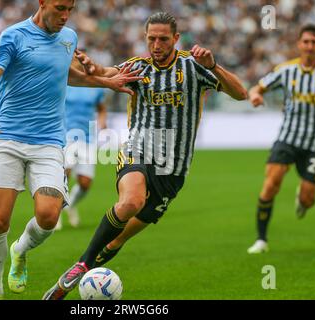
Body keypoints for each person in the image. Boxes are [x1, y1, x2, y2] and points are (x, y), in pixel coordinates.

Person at [43, 11, 247, 300]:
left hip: (173, 170)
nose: (157, 44)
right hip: (137, 150)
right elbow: (106, 73)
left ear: (176, 38)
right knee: (130, 201)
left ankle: (89, 268)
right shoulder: (138, 67)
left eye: (163, 39)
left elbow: (241, 94)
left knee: (116, 241)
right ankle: (80, 267)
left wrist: (213, 66)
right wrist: (92, 67)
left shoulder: (193, 66)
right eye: (151, 38)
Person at [0, 0, 143, 300]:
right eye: (59, 8)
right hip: (7, 138)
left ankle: (20, 250)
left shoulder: (69, 37)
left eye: (70, 10)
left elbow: (68, 74)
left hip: (49, 140)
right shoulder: (14, 36)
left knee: (49, 217)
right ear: (42, 3)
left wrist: (107, 82)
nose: (65, 16)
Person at [247, 24, 315, 254]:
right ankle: (261, 240)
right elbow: (257, 88)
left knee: (309, 199)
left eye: (314, 42)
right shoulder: (285, 70)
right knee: (271, 183)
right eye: (306, 42)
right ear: (299, 44)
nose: (310, 46)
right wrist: (254, 96)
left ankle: (302, 199)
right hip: (288, 137)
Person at [55, 85, 107, 230]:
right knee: (64, 175)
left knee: (85, 183)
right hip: (66, 135)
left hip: (88, 138)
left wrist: (102, 122)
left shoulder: (95, 86)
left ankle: (70, 205)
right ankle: (56, 212)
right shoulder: (64, 81)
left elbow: (101, 108)